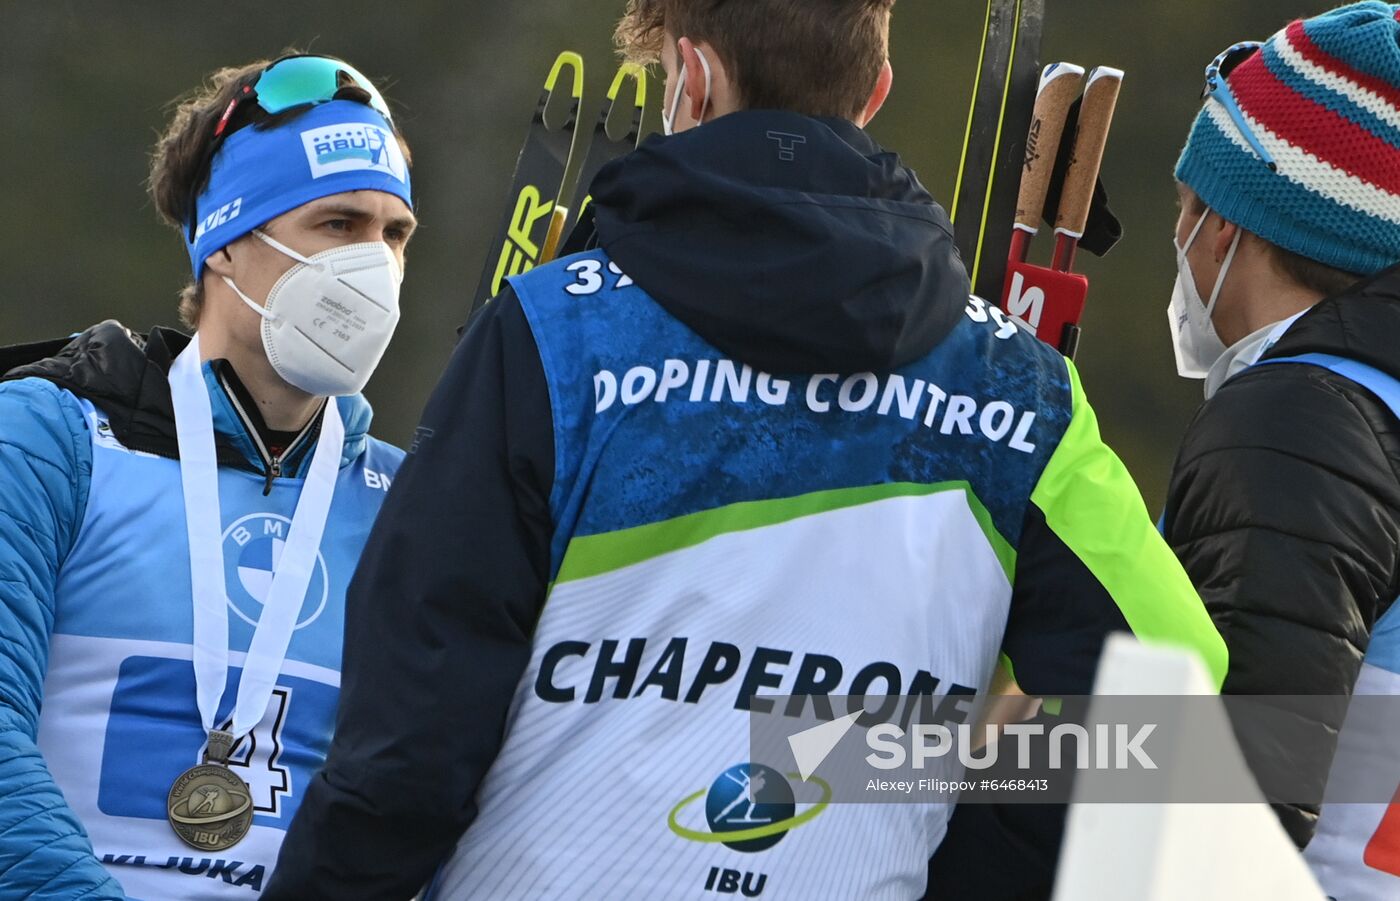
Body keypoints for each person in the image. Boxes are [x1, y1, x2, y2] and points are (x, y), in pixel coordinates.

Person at [266, 2, 1225, 898]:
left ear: (693, 76)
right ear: (876, 87)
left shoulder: (552, 333)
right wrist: (925, 826)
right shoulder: (1024, 389)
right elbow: (1173, 692)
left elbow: (408, 748)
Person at [0, 53, 416, 899]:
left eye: (394, 233)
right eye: (338, 224)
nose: (373, 264)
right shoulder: (51, 438)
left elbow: (428, 787)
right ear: (225, 241)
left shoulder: (409, 499)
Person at [1158, 3, 1400, 897]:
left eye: (1184, 207)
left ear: (1227, 227)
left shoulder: (1293, 420)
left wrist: (938, 753)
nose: (1177, 241)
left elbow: (1230, 798)